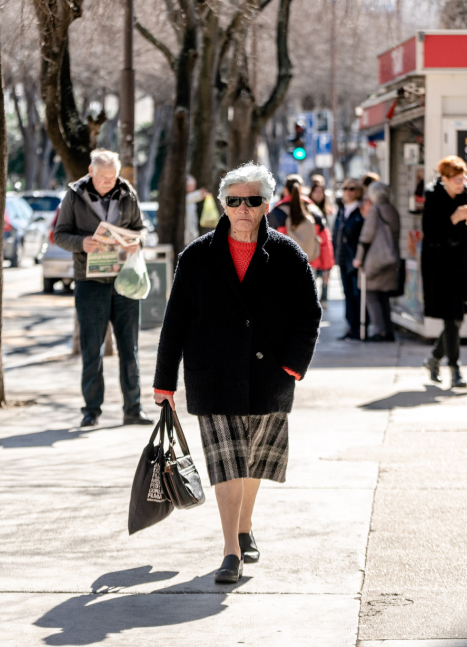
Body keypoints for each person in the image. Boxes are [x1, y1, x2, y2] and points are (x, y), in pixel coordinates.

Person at [153, 163, 322, 584]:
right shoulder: (196, 257)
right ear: (223, 205)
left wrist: (292, 366)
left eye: (251, 200)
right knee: (227, 465)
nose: (242, 209)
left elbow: (309, 314)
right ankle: (231, 550)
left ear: (266, 205)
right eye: (234, 201)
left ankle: (245, 526)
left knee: (252, 464)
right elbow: (175, 321)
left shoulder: (288, 255)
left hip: (271, 379)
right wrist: (164, 382)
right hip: (214, 377)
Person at [53, 149, 151, 428]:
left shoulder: (127, 192)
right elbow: (60, 234)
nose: (109, 181)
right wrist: (81, 243)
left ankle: (133, 408)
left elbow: (142, 228)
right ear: (91, 171)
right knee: (92, 348)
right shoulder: (74, 195)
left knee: (129, 348)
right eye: (103, 177)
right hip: (89, 282)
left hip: (125, 280)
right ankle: (91, 410)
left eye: (113, 176)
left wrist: (138, 242)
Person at [421, 156, 467, 388]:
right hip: (438, 268)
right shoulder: (433, 197)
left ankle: (435, 358)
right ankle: (455, 369)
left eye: (464, 178)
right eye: (457, 179)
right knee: (453, 317)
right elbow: (431, 235)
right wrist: (454, 219)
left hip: (462, 266)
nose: (462, 183)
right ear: (445, 179)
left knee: (456, 318)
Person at [353, 181, 400, 342]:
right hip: (391, 258)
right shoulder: (393, 210)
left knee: (371, 295)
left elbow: (366, 237)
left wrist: (358, 259)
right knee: (384, 297)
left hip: (375, 260)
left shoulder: (375, 210)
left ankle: (380, 331)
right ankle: (388, 329)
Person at [334, 178, 364, 340]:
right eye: (345, 188)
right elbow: (336, 235)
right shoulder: (342, 210)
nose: (348, 191)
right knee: (347, 293)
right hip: (343, 258)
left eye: (352, 188)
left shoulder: (360, 210)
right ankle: (351, 326)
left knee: (356, 293)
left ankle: (359, 327)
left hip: (355, 259)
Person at [308, 175, 335, 303]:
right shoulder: (307, 208)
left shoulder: (327, 209)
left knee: (325, 273)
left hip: (325, 245)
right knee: (312, 275)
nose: (318, 195)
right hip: (312, 246)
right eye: (316, 191)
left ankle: (324, 297)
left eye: (321, 192)